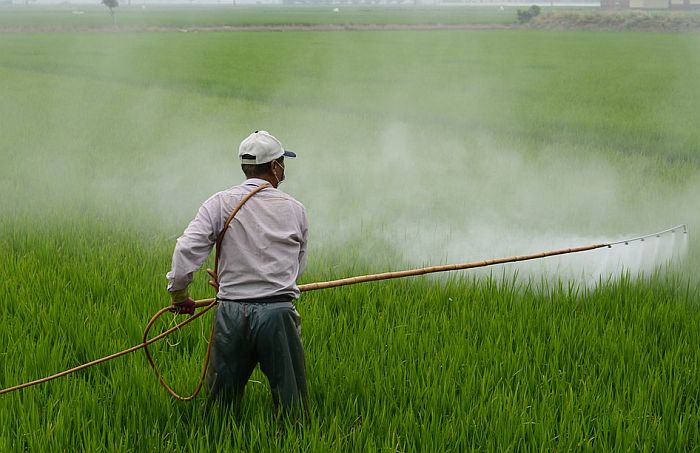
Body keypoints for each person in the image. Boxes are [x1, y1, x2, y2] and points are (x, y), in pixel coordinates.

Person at [166, 130, 309, 418]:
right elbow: (297, 266)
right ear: (274, 166)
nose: (283, 168)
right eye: (282, 162)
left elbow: (186, 249)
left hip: (231, 312)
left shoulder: (219, 202)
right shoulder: (295, 210)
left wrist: (180, 295)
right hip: (278, 313)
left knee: (221, 407)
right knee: (292, 406)